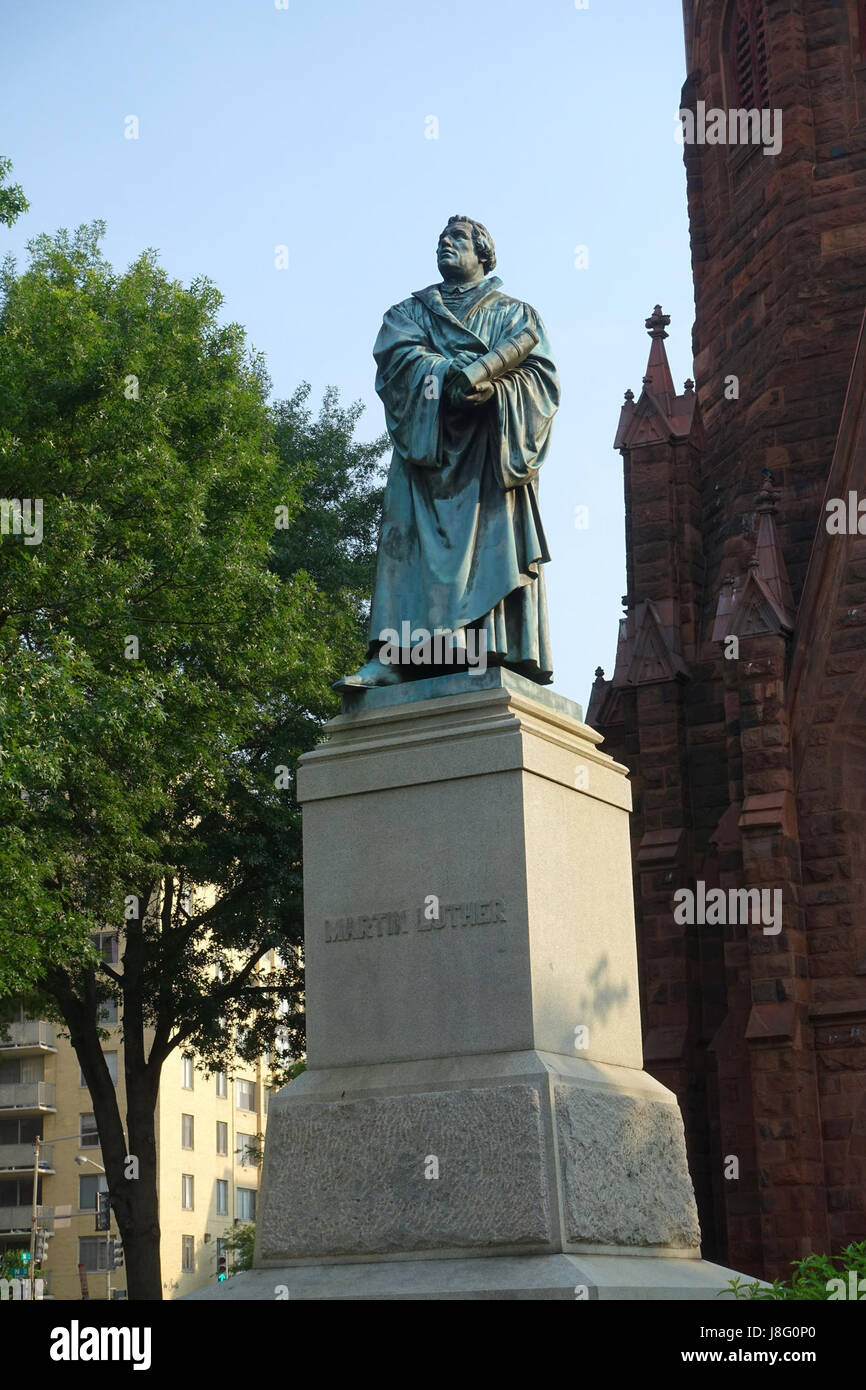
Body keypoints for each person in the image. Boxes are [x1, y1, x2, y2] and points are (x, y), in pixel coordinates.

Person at [338, 215, 559, 688]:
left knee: (489, 541)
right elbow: (397, 361)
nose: (445, 244)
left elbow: (542, 383)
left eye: (457, 239)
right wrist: (443, 374)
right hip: (427, 449)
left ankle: (489, 647)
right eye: (440, 239)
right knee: (405, 545)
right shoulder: (409, 313)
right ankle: (393, 655)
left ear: (483, 253)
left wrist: (492, 390)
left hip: (487, 454)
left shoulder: (516, 315)